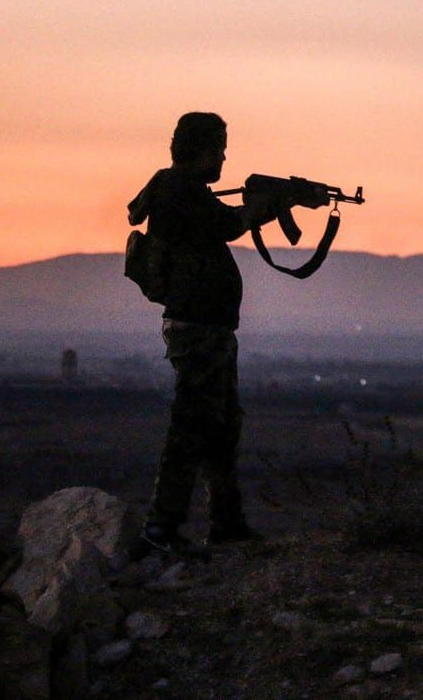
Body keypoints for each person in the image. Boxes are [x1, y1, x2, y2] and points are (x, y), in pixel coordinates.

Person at [128, 111, 326, 557]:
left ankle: (226, 522)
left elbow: (225, 220)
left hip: (210, 328)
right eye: (218, 149)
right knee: (192, 424)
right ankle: (162, 527)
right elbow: (228, 225)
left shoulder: (186, 191)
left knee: (220, 428)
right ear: (198, 151)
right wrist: (274, 204)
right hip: (197, 328)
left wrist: (284, 200)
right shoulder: (178, 191)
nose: (222, 158)